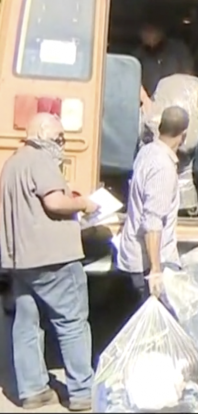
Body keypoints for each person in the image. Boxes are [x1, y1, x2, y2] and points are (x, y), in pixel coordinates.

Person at [0, 113, 99, 411]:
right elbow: (54, 202)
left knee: (26, 324)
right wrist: (84, 203)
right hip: (54, 259)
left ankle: (33, 391)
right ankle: (82, 392)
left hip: (21, 261)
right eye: (59, 139)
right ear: (41, 134)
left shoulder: (12, 163)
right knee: (71, 323)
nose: (62, 145)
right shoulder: (42, 161)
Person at [115, 105, 190, 303]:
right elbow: (152, 222)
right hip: (148, 264)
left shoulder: (146, 152)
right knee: (154, 329)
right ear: (183, 135)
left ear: (160, 128)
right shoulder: (163, 168)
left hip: (137, 259)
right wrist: (156, 270)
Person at [134, 20, 195, 108]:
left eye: (152, 30)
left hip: (177, 106)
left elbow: (189, 79)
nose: (148, 35)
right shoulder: (137, 56)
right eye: (145, 31)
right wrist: (145, 99)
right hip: (146, 107)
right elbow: (133, 81)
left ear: (161, 31)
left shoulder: (179, 50)